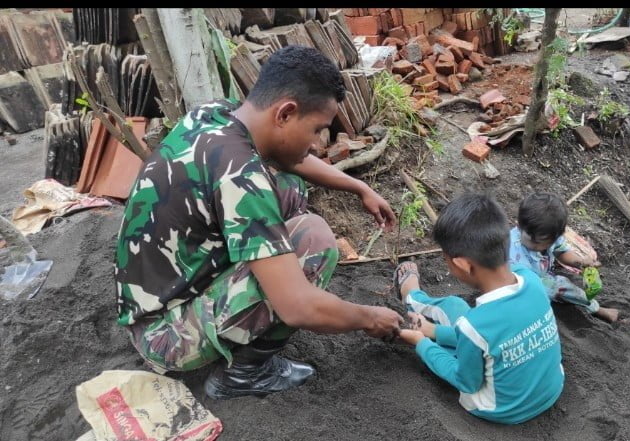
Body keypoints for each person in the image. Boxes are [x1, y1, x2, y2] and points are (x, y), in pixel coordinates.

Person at [114, 45, 403, 400]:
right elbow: (298, 307)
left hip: (152, 296)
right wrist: (370, 318)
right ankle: (245, 373)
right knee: (314, 242)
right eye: (316, 130)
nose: (316, 144)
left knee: (289, 188)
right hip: (165, 335)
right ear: (285, 113)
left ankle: (251, 288)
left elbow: (291, 160)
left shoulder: (217, 115)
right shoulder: (241, 179)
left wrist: (359, 187)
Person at [394, 192, 564, 424]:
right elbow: (498, 336)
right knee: (472, 327)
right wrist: (433, 332)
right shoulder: (532, 280)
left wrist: (421, 343)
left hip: (501, 409)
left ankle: (412, 297)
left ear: (462, 264)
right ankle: (430, 328)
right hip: (550, 389)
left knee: (454, 309)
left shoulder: (473, 325)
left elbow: (466, 382)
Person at [508, 193, 619, 322]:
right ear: (519, 226)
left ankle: (594, 307)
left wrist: (580, 262)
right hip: (522, 285)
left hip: (540, 277)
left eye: (544, 243)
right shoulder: (511, 250)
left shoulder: (549, 234)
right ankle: (597, 309)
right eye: (532, 241)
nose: (537, 246)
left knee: (564, 287)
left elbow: (562, 252)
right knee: (561, 287)